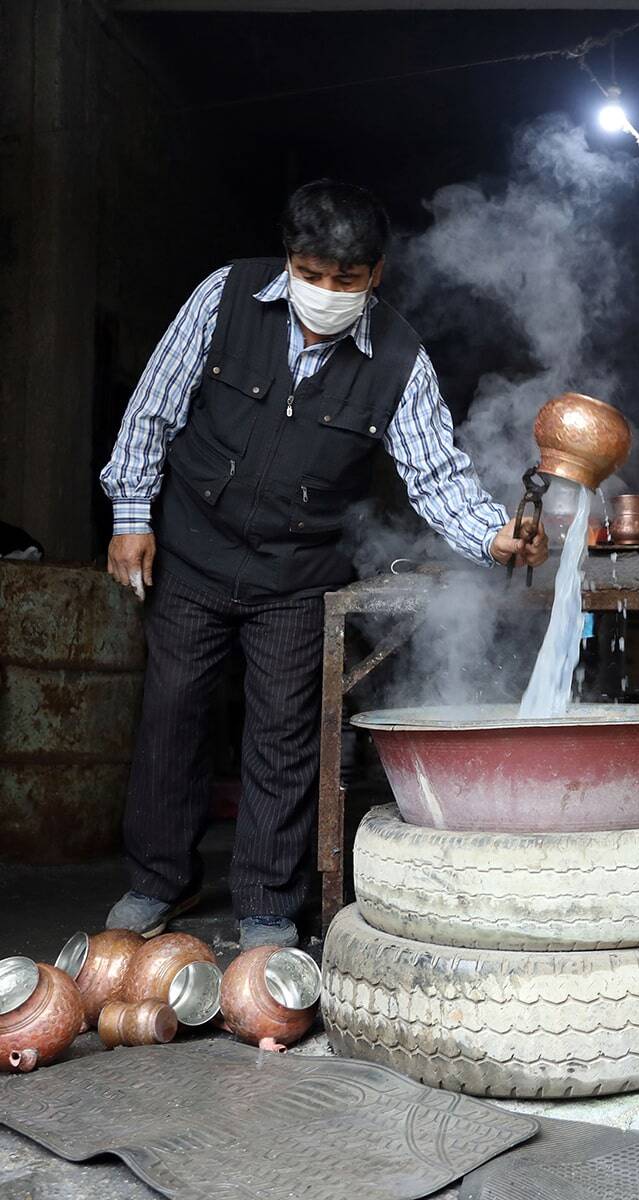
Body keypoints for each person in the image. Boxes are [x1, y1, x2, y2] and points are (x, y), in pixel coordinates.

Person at [101, 180, 547, 949]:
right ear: (288, 259)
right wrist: (131, 516)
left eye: (347, 280)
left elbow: (435, 475)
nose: (327, 293)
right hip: (194, 550)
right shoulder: (223, 297)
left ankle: (266, 902)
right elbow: (153, 408)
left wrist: (491, 535)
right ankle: (158, 882)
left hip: (297, 573)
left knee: (283, 733)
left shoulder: (398, 357)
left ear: (375, 274)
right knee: (172, 714)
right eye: (311, 275)